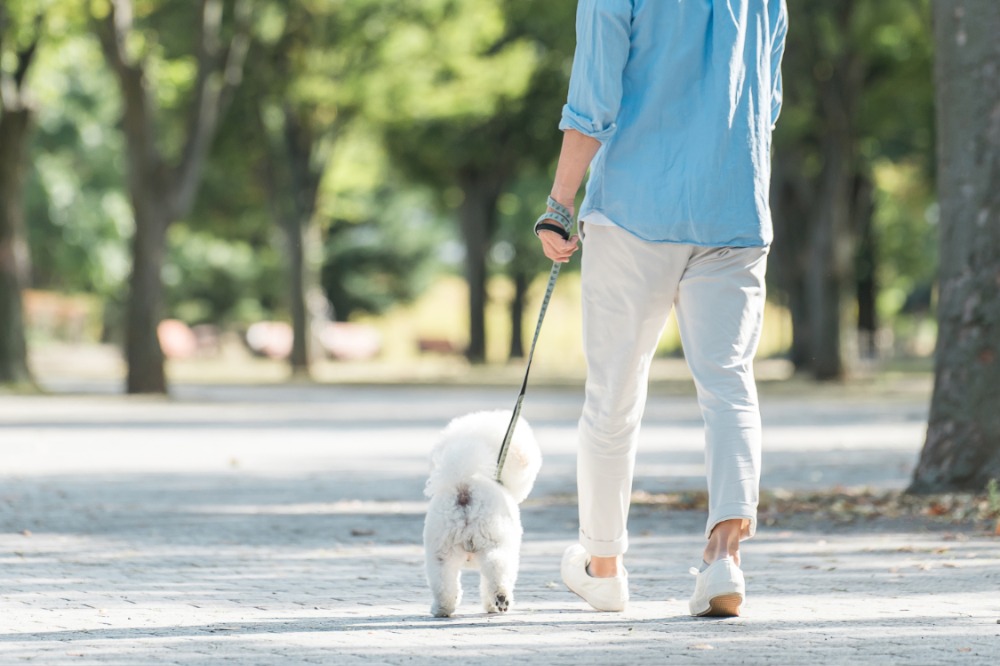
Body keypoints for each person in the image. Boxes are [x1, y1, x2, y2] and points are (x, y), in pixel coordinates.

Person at [536, 0, 788, 617]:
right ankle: (725, 557)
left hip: (634, 212)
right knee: (728, 384)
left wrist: (559, 203)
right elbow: (769, 101)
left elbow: (592, 102)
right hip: (735, 208)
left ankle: (604, 567)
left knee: (614, 393)